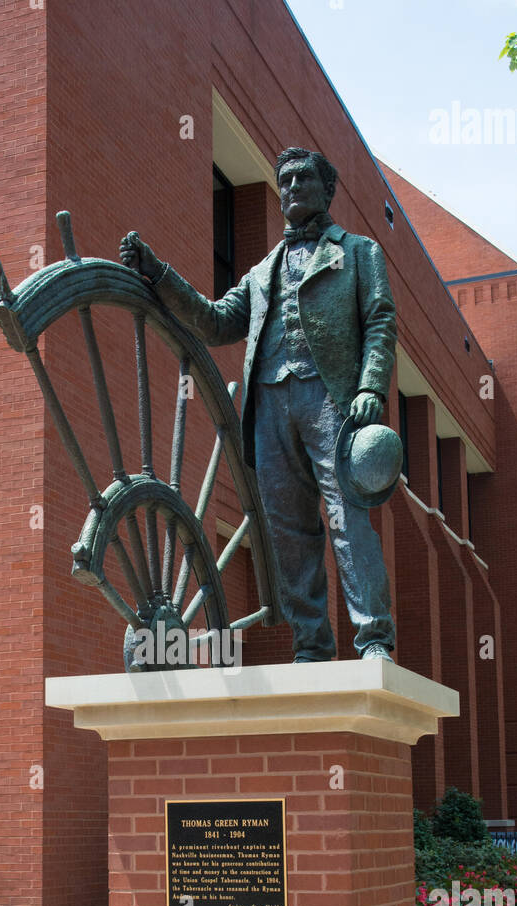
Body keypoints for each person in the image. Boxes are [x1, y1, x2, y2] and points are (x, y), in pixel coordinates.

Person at [120, 146, 398, 662]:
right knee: (289, 532)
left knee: (346, 518)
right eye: (284, 181)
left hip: (330, 399)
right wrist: (158, 273)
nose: (291, 187)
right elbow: (213, 320)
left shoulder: (360, 254)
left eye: (303, 179)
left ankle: (374, 638)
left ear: (327, 189)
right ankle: (311, 644)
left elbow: (380, 322)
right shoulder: (262, 272)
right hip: (269, 406)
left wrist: (370, 387)